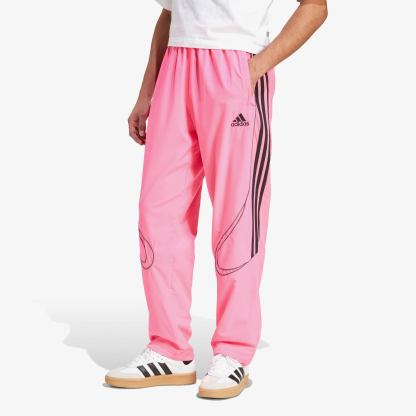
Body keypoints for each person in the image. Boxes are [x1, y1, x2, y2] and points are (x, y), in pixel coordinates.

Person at [105, 0, 327, 399]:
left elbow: (315, 6)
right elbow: (170, 14)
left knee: (238, 215)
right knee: (158, 214)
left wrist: (254, 69)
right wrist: (146, 92)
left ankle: (233, 351)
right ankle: (169, 349)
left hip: (235, 67)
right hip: (176, 68)